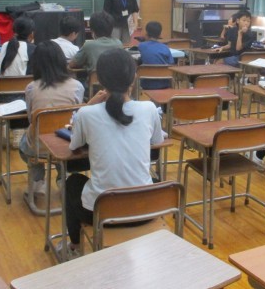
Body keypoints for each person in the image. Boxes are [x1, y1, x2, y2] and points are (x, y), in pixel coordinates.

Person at [63, 48, 164, 260]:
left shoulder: (87, 113)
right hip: (145, 209)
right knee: (154, 180)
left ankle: (74, 245)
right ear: (133, 77)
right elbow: (157, 142)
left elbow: (74, 145)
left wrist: (87, 106)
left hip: (101, 213)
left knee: (72, 182)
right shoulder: (149, 108)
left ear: (99, 79)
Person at [19, 41, 85, 195]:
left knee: (25, 143)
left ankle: (38, 181)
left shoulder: (31, 87)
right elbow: (77, 116)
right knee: (62, 141)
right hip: (68, 142)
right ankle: (63, 178)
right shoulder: (77, 86)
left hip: (38, 146)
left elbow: (31, 119)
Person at [137, 21, 174, 90]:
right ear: (160, 34)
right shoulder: (165, 47)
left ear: (146, 33)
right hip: (164, 83)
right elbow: (171, 63)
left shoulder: (141, 46)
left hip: (146, 84)